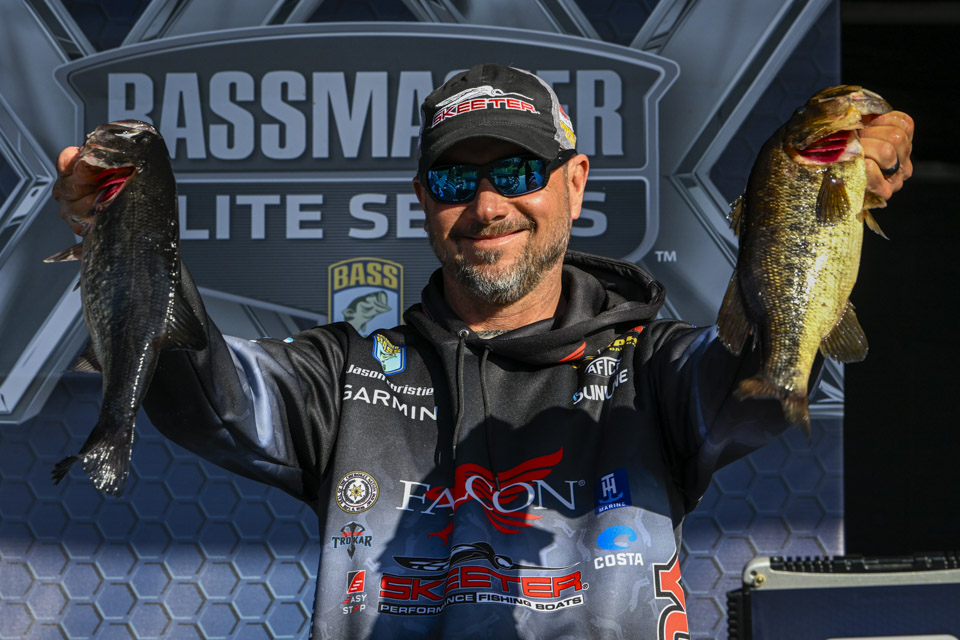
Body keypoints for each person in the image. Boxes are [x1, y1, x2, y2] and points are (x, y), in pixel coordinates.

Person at [53, 63, 913, 638]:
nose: (489, 204)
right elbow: (202, 393)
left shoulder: (652, 367)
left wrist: (838, 171)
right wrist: (128, 238)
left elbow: (760, 383)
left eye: (521, 172)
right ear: (423, 198)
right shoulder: (347, 374)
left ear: (575, 184)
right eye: (456, 180)